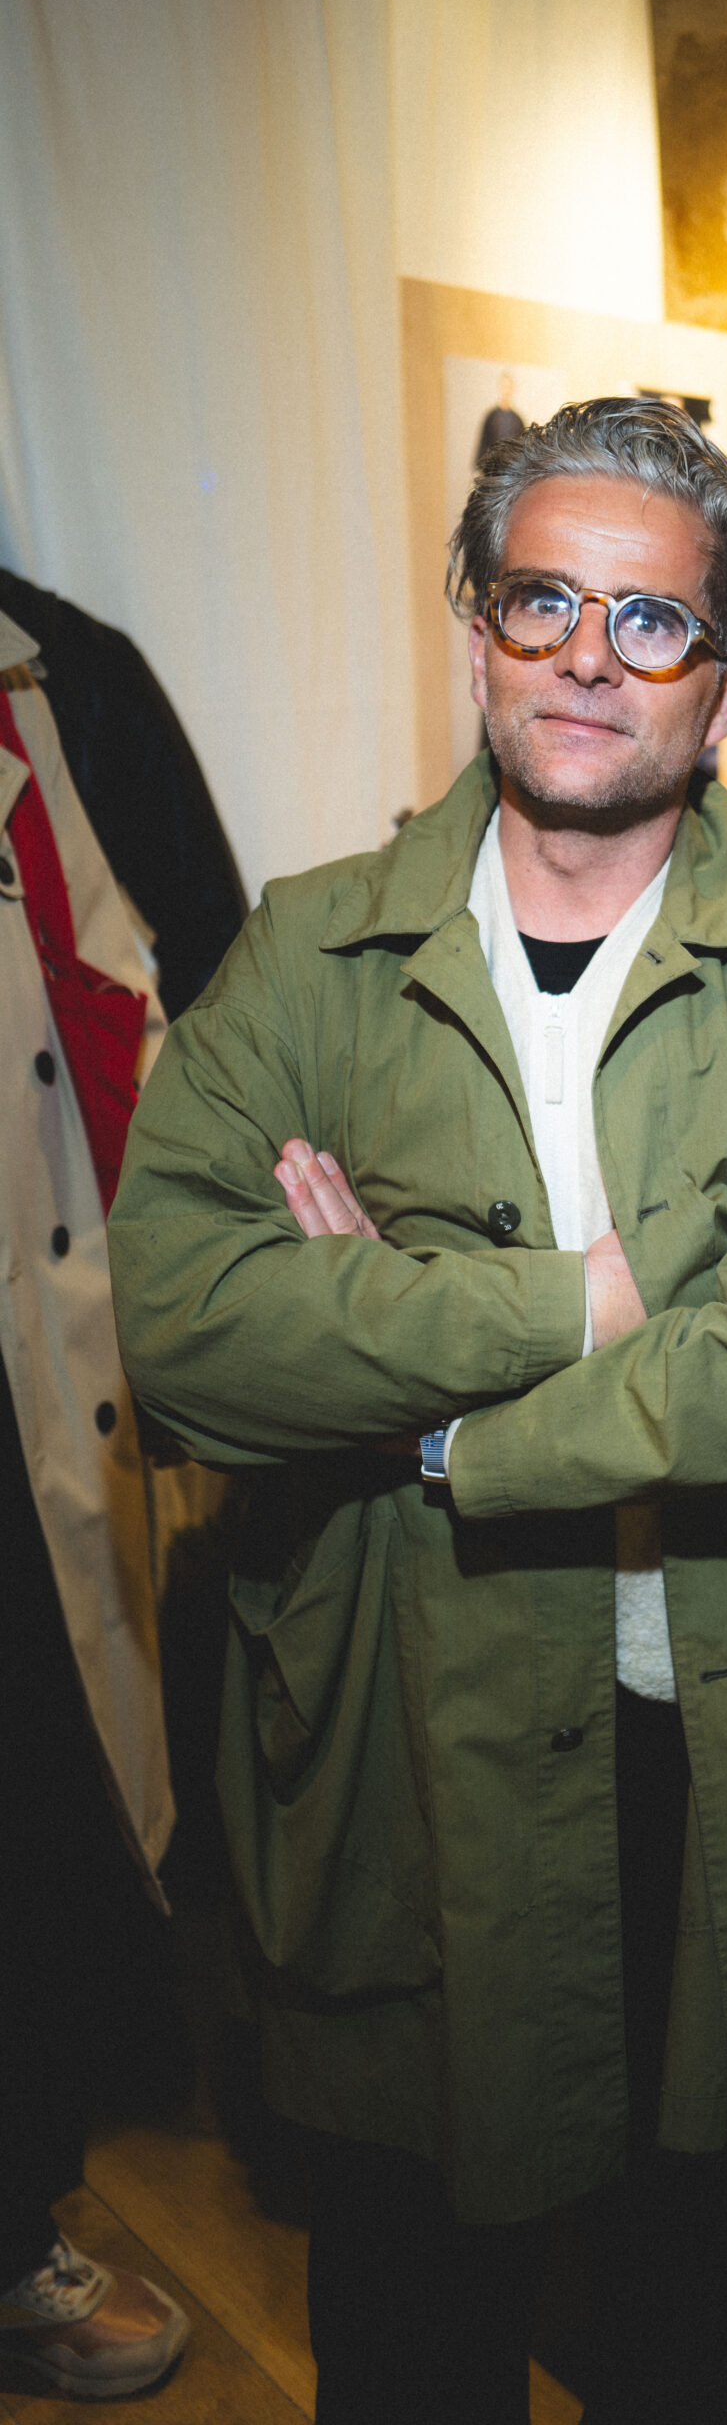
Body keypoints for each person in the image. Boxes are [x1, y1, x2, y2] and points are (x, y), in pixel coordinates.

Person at [108, 398, 727, 2425]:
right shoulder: (308, 949)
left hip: (716, 1747)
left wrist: (411, 1398)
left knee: (721, 2334)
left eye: (650, 621)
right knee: (414, 2330)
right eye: (541, 599)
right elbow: (189, 1332)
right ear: (474, 624)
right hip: (404, 1740)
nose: (585, 655)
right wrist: (596, 1293)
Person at [0, 580, 242, 2399]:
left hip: (61, 1330)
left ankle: (16, 2229)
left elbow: (217, 989)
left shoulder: (66, 675)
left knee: (53, 1776)